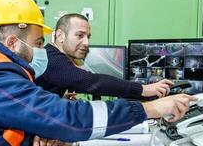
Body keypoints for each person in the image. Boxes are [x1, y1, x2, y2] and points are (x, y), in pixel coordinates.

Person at [0, 0, 195, 146]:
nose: (41, 50)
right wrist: (151, 108)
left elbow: (3, 116)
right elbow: (71, 114)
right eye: (38, 43)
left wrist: (41, 126)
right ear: (13, 42)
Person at [35, 13, 173, 99]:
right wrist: (143, 89)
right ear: (60, 35)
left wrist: (59, 99)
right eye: (80, 35)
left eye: (88, 37)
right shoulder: (51, 59)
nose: (86, 43)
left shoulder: (53, 56)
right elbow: (91, 82)